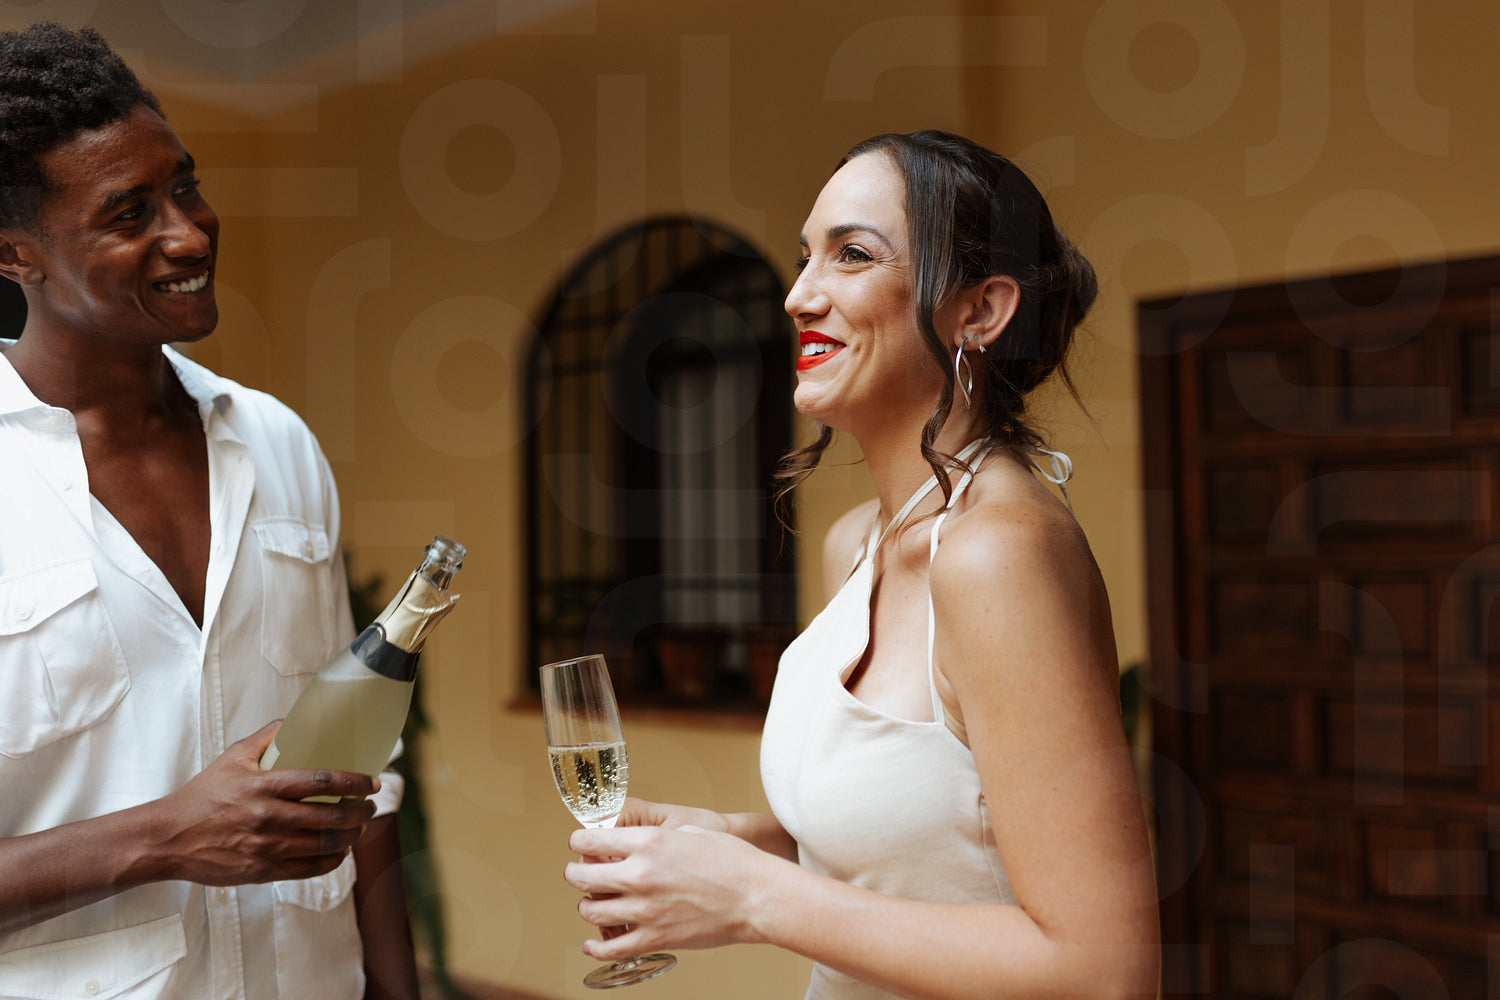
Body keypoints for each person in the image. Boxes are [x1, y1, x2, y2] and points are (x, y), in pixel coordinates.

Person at [562, 130, 1160, 999]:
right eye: (804, 258)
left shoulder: (998, 554)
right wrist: (731, 843)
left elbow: (1105, 971)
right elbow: (927, 853)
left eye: (852, 255)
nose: (799, 295)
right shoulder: (856, 542)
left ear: (980, 311)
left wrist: (755, 898)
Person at [0, 22, 418, 1000]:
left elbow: (361, 768)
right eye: (129, 213)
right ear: (15, 254)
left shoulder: (279, 443)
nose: (188, 234)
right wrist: (166, 836)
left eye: (184, 187)